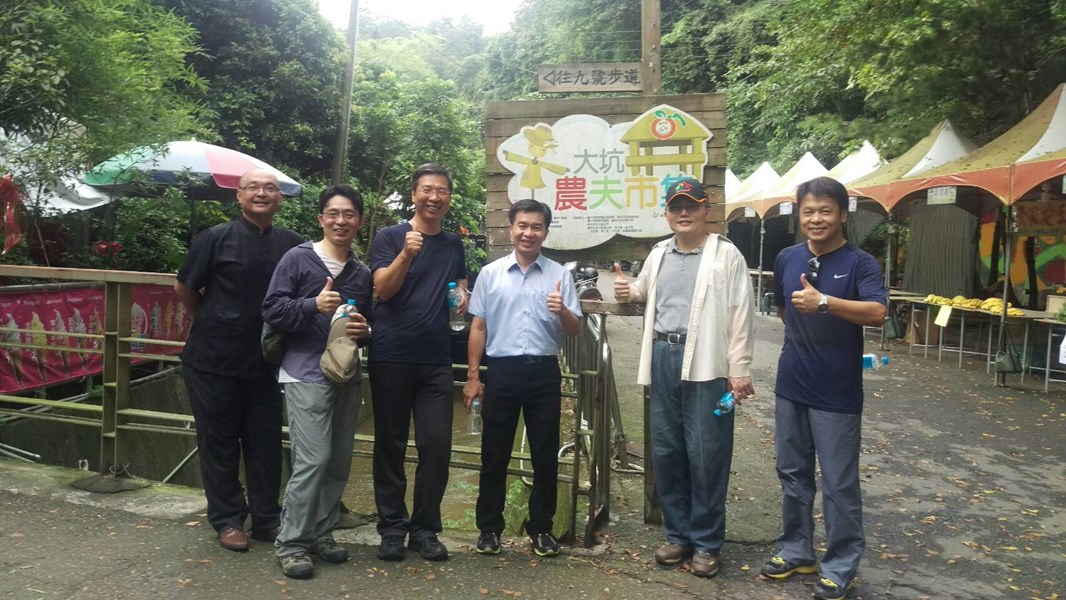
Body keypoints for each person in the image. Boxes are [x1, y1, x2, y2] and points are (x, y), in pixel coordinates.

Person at [614, 177, 755, 578]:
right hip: (662, 355)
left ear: (706, 210)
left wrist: (739, 369)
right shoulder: (659, 253)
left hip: (708, 365)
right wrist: (628, 290)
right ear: (667, 212)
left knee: (707, 453)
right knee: (667, 450)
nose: (683, 213)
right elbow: (644, 291)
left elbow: (741, 314)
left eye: (691, 206)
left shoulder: (725, 255)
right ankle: (677, 535)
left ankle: (707, 542)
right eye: (676, 207)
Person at [760, 176, 886, 600]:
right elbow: (783, 308)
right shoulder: (786, 258)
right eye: (809, 211)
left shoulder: (860, 263)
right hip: (791, 382)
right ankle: (797, 550)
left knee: (838, 483)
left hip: (837, 391)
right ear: (800, 214)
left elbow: (877, 312)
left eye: (825, 210)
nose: (816, 219)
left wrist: (827, 303)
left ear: (843, 215)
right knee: (793, 473)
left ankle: (840, 563)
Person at [175, 169, 303, 552]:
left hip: (267, 361)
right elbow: (184, 286)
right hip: (212, 358)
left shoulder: (293, 245)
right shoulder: (215, 238)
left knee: (265, 442)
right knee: (219, 441)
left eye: (270, 188)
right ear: (239, 196)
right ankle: (228, 519)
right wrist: (209, 319)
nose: (261, 193)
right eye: (253, 187)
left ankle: (266, 518)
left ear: (280, 198)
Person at [261, 185, 372, 579]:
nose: (341, 221)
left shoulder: (361, 273)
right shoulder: (298, 259)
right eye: (333, 214)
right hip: (303, 372)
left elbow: (366, 323)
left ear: (358, 221)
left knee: (339, 461)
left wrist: (364, 328)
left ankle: (322, 534)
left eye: (349, 215)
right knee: (313, 460)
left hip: (345, 374)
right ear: (321, 219)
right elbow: (272, 307)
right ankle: (291, 543)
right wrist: (312, 304)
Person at [462, 199, 581, 558]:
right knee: (494, 453)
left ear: (545, 231)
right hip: (502, 371)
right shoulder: (491, 273)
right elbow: (478, 326)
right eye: (522, 226)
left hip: (544, 371)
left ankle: (541, 529)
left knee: (545, 454)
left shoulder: (560, 275)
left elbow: (574, 331)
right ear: (510, 229)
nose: (529, 233)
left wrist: (563, 312)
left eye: (537, 227)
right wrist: (472, 376)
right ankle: (489, 528)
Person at [368, 163, 467, 562]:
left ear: (447, 198)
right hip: (391, 353)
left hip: (436, 357)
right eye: (427, 189)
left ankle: (425, 528)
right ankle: (392, 527)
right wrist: (406, 255)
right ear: (414, 194)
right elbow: (383, 289)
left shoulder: (452, 244)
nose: (434, 197)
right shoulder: (390, 237)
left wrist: (462, 297)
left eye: (442, 191)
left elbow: (458, 287)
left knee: (437, 444)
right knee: (390, 443)